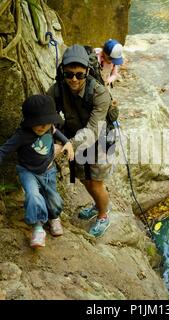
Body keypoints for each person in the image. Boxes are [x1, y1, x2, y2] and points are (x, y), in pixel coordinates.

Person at [0, 94, 74, 248]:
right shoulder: (22, 135)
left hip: (48, 170)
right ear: (29, 121)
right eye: (38, 123)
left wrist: (67, 143)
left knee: (54, 200)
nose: (42, 126)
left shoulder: (49, 127)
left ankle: (54, 217)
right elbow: (2, 151)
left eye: (46, 122)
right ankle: (38, 228)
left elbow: (55, 132)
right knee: (33, 195)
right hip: (28, 171)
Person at [48, 44, 115, 238]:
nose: (74, 79)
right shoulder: (58, 89)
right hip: (75, 137)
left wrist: (67, 144)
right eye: (69, 74)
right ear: (63, 72)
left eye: (79, 74)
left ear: (87, 71)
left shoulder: (99, 93)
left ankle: (103, 215)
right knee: (85, 178)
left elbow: (94, 129)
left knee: (95, 182)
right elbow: (45, 110)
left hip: (100, 139)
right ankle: (97, 205)